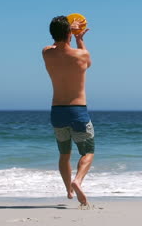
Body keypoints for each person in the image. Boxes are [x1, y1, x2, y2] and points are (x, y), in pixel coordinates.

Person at [42, 16, 94, 205]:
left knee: (64, 154)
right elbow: (87, 63)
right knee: (88, 152)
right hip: (78, 110)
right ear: (68, 33)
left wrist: (67, 32)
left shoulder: (47, 53)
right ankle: (77, 181)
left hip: (57, 111)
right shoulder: (82, 56)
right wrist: (79, 38)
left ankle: (68, 192)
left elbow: (54, 46)